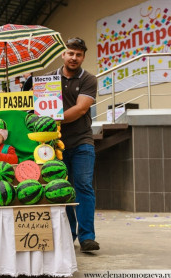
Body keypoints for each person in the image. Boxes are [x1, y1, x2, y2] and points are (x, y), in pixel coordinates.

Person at [45, 37, 99, 252]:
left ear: (83, 57)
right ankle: (68, 235)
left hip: (82, 141)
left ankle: (87, 238)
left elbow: (80, 109)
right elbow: (38, 107)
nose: (74, 57)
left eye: (78, 54)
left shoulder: (89, 79)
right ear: (63, 54)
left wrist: (51, 119)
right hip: (55, 145)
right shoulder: (48, 79)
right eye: (70, 53)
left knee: (83, 186)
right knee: (60, 189)